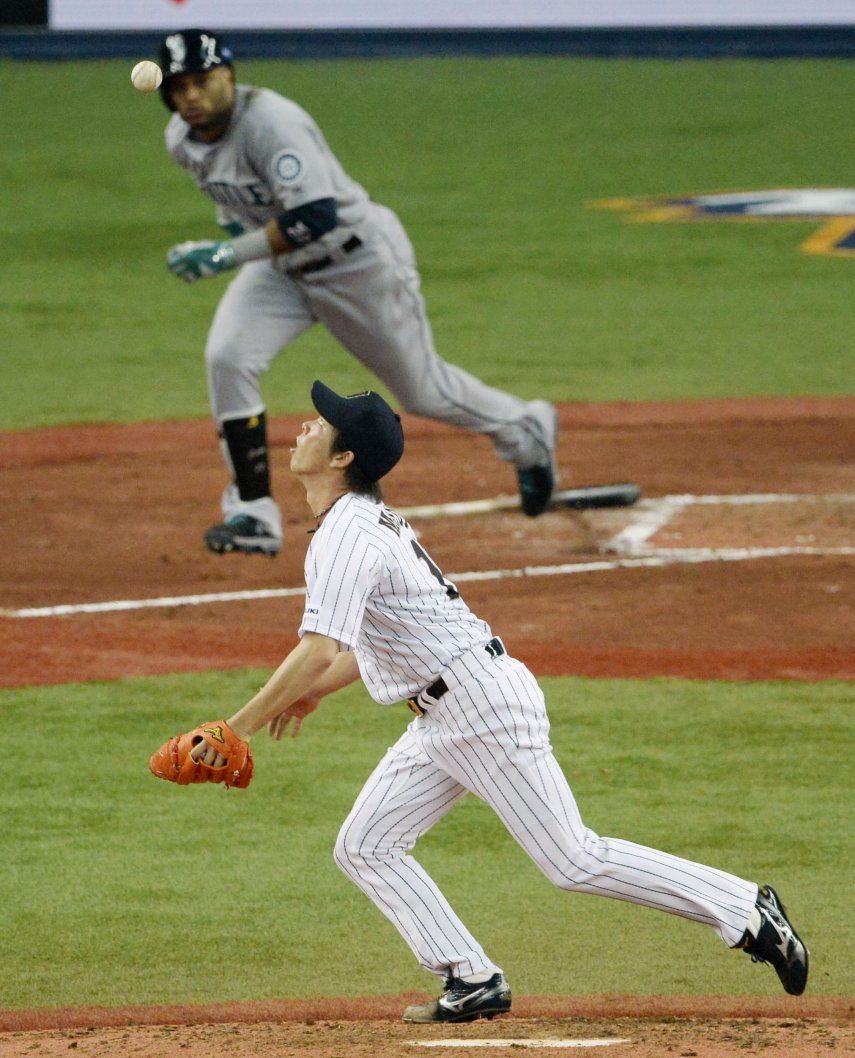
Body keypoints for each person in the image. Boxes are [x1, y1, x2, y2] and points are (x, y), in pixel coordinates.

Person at [192, 378, 809, 1023]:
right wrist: (312, 693)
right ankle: (471, 975)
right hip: (448, 711)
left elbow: (319, 647)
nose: (305, 427)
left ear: (345, 458)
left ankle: (744, 910)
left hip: (479, 709)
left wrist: (235, 728)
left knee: (573, 859)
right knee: (366, 845)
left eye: (322, 425)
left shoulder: (346, 534)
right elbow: (372, 637)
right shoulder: (355, 525)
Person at [156, 28, 557, 557]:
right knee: (227, 356)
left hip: (356, 263)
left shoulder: (272, 122)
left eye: (202, 82)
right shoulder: (181, 141)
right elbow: (243, 211)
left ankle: (526, 432)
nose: (190, 96)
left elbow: (316, 215)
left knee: (422, 392)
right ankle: (252, 512)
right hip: (283, 269)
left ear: (228, 75)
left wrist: (224, 255)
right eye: (179, 87)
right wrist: (230, 237)